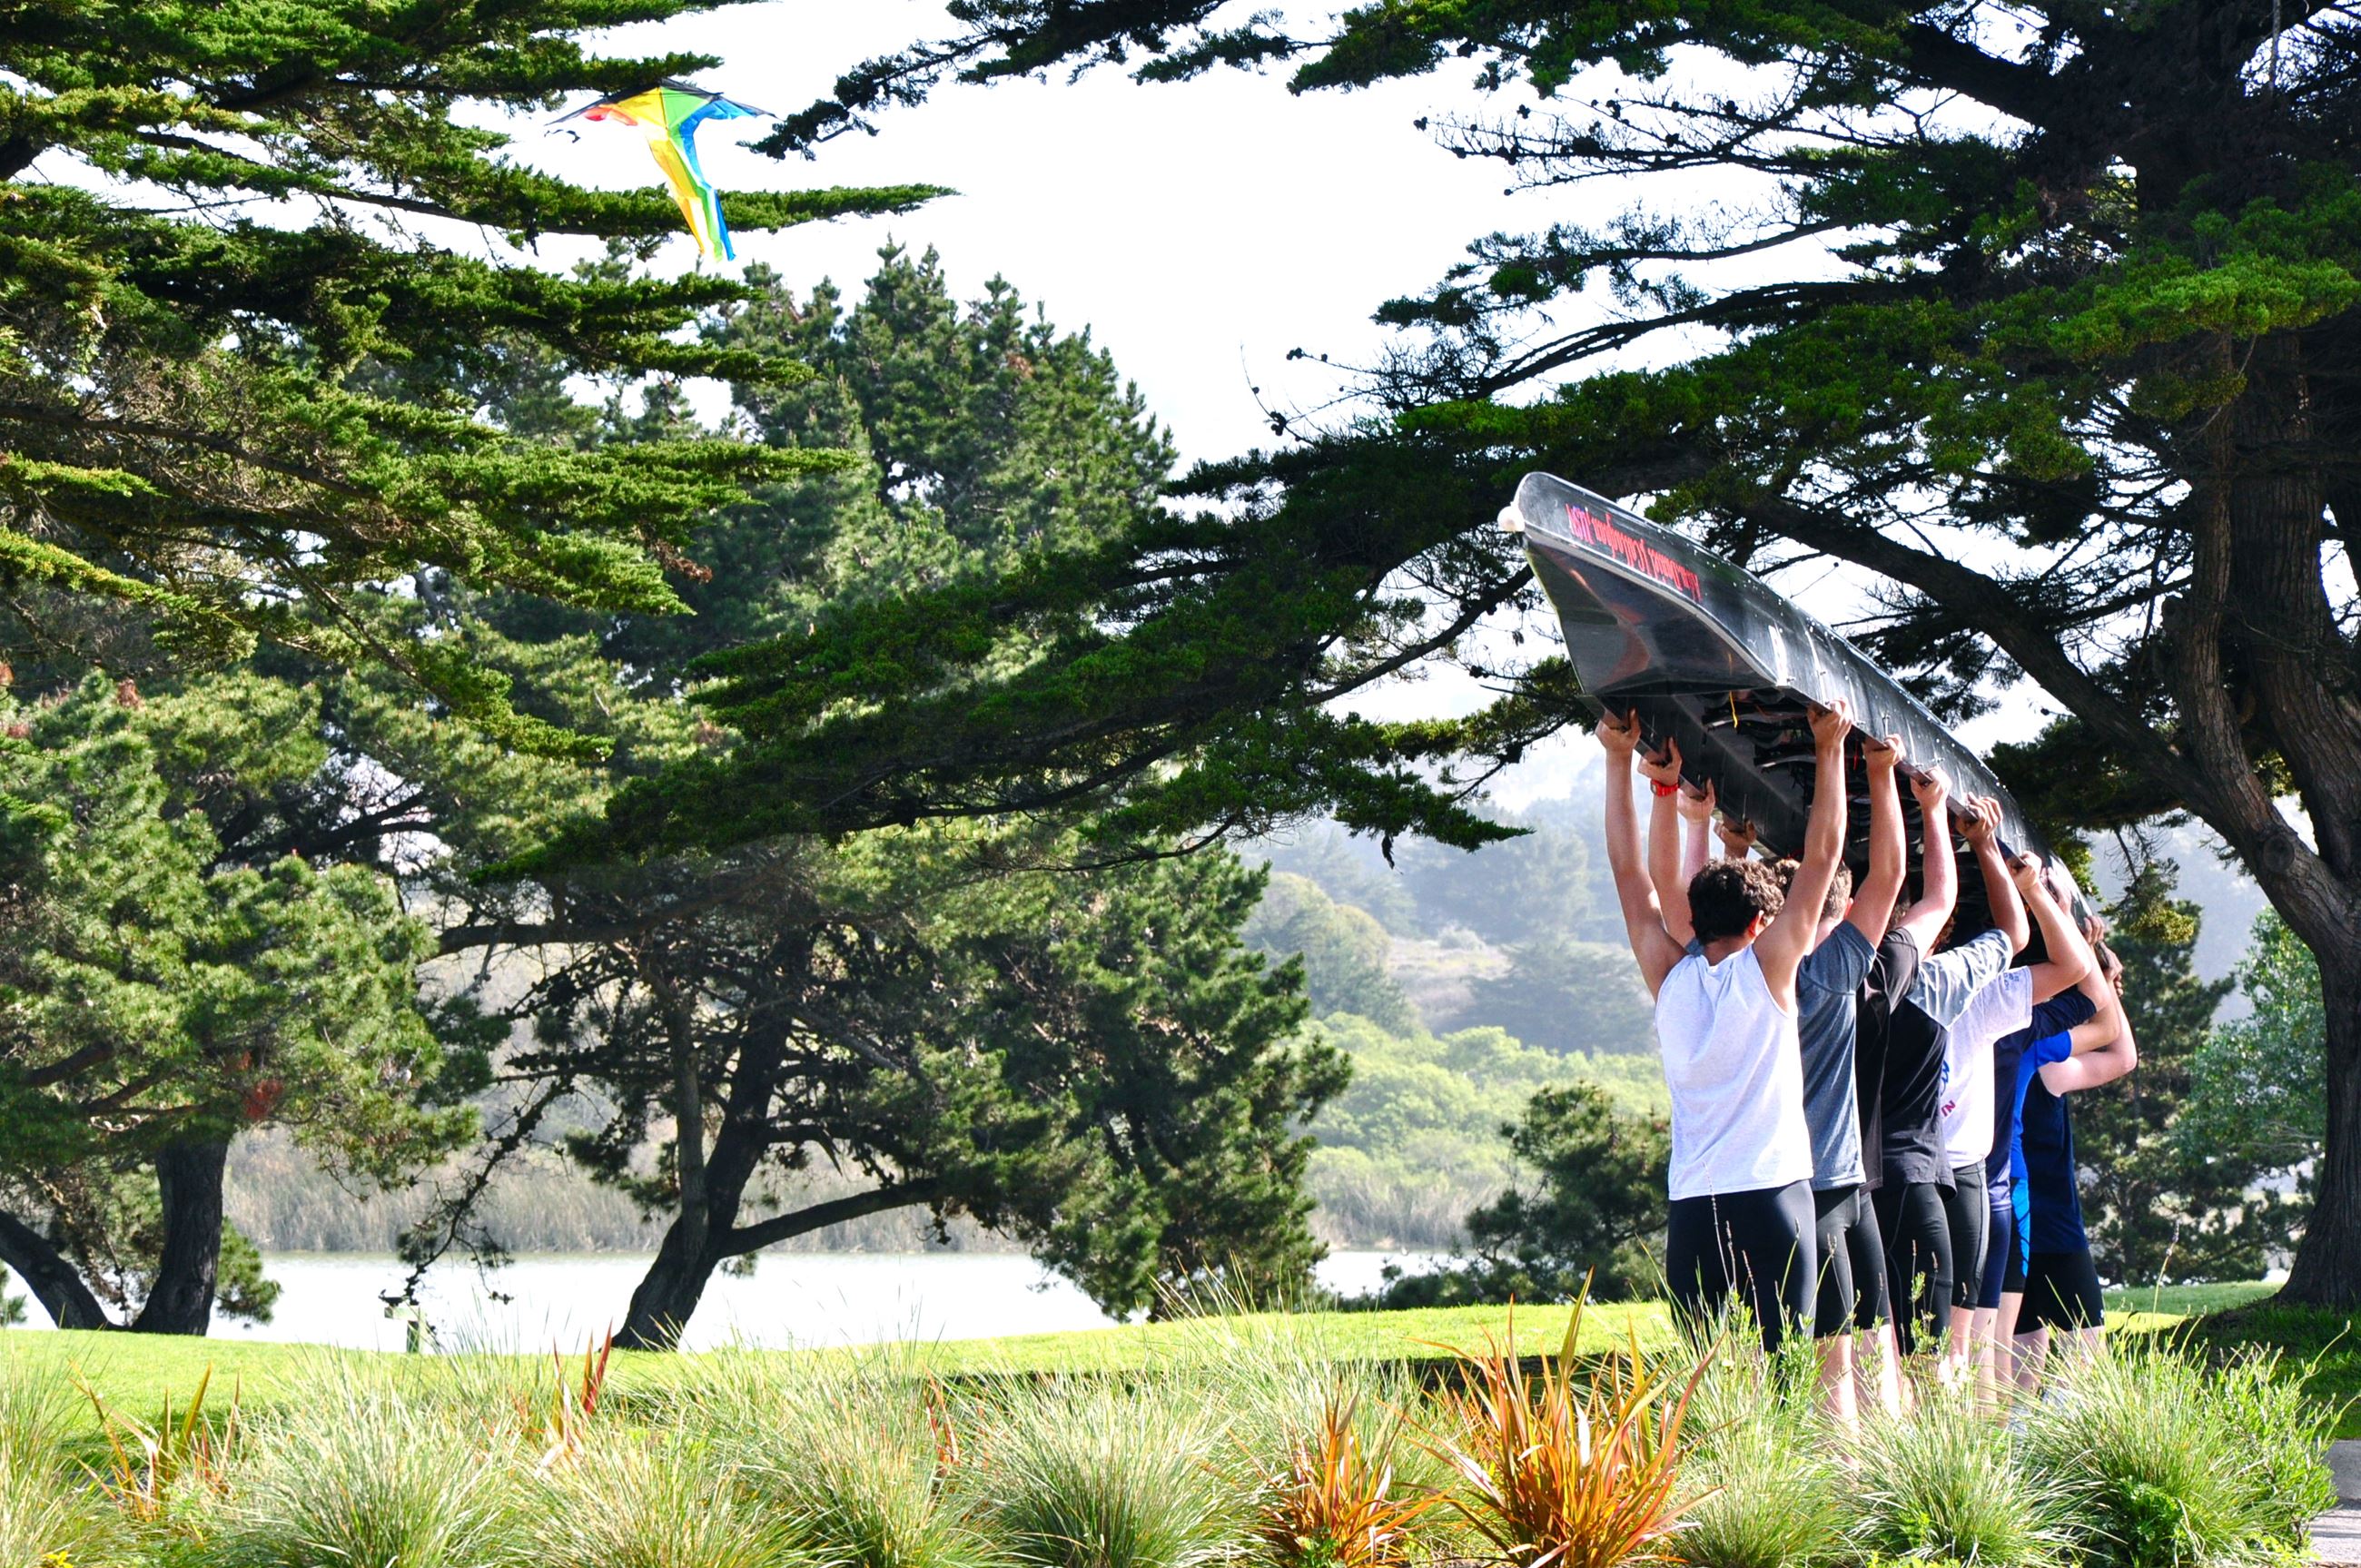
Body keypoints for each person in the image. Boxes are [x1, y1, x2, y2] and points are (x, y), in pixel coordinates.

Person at [1649, 728, 1908, 1427]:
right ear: (1769, 921)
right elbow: (1875, 874)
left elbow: (1669, 899)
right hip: (1811, 1191)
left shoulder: (1697, 981)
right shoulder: (1813, 970)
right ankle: (1856, 1484)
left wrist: (1690, 818)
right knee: (1840, 1369)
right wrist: (1856, 760)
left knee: (1724, 1383)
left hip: (1714, 1199)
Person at [1596, 699, 1852, 1353]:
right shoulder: (1769, 968)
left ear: (1697, 917)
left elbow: (1629, 875)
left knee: (1704, 1384)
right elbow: (1823, 857)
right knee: (1788, 1377)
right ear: (1760, 923)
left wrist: (1619, 760)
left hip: (1695, 1209)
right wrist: (1829, 747)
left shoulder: (1669, 977)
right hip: (1774, 1198)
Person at [1931, 843, 2093, 1379]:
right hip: (1984, 1190)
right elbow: (2085, 993)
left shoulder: (1883, 985)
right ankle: (1983, 1437)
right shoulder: (1994, 1005)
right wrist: (2044, 902)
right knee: (1979, 1350)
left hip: (1906, 1183)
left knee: (1912, 1346)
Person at [1875, 794, 2028, 1356]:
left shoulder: (1815, 976)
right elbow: (2012, 932)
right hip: (1916, 1172)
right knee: (1936, 1352)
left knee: (1867, 1348)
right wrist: (1975, 838)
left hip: (1843, 1182)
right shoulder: (1933, 983)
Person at [1970, 857, 2102, 1405]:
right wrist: (2062, 922)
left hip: (1946, 1179)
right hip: (2002, 1187)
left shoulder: (1927, 997)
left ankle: (1982, 1439)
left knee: (1965, 1339)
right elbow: (2098, 1011)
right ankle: (2008, 1435)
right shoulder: (2012, 1023)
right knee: (1994, 1339)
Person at [2004, 932, 2137, 1390]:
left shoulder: (1995, 1043)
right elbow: (2121, 1055)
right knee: (2086, 1369)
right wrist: (2102, 983)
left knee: (2017, 1368)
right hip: (2054, 1225)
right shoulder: (2042, 1059)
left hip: (2005, 1218)